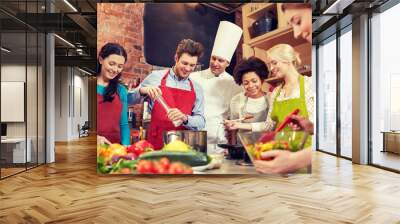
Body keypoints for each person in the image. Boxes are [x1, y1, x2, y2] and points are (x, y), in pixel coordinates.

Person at [129, 39, 205, 150]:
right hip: (156, 143)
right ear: (176, 58)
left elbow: (201, 121)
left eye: (192, 65)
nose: (188, 68)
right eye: (184, 63)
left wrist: (185, 118)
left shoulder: (197, 88)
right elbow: (128, 99)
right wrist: (142, 91)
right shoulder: (155, 77)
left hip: (182, 146)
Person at [190, 21, 243, 154]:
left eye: (220, 60)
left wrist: (232, 143)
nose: (215, 63)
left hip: (219, 144)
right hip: (194, 139)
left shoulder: (234, 84)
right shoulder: (193, 77)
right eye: (213, 58)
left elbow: (234, 118)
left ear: (228, 63)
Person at [224, 57, 270, 132]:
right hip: (243, 143)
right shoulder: (236, 100)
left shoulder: (271, 98)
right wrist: (230, 125)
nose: (251, 86)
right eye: (246, 83)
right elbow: (234, 126)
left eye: (254, 81)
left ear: (261, 79)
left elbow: (271, 126)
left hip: (267, 143)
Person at [97, 43, 130, 146]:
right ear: (101, 60)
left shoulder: (121, 91)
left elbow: (123, 124)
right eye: (112, 64)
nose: (115, 69)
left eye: (120, 66)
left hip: (114, 149)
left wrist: (125, 148)